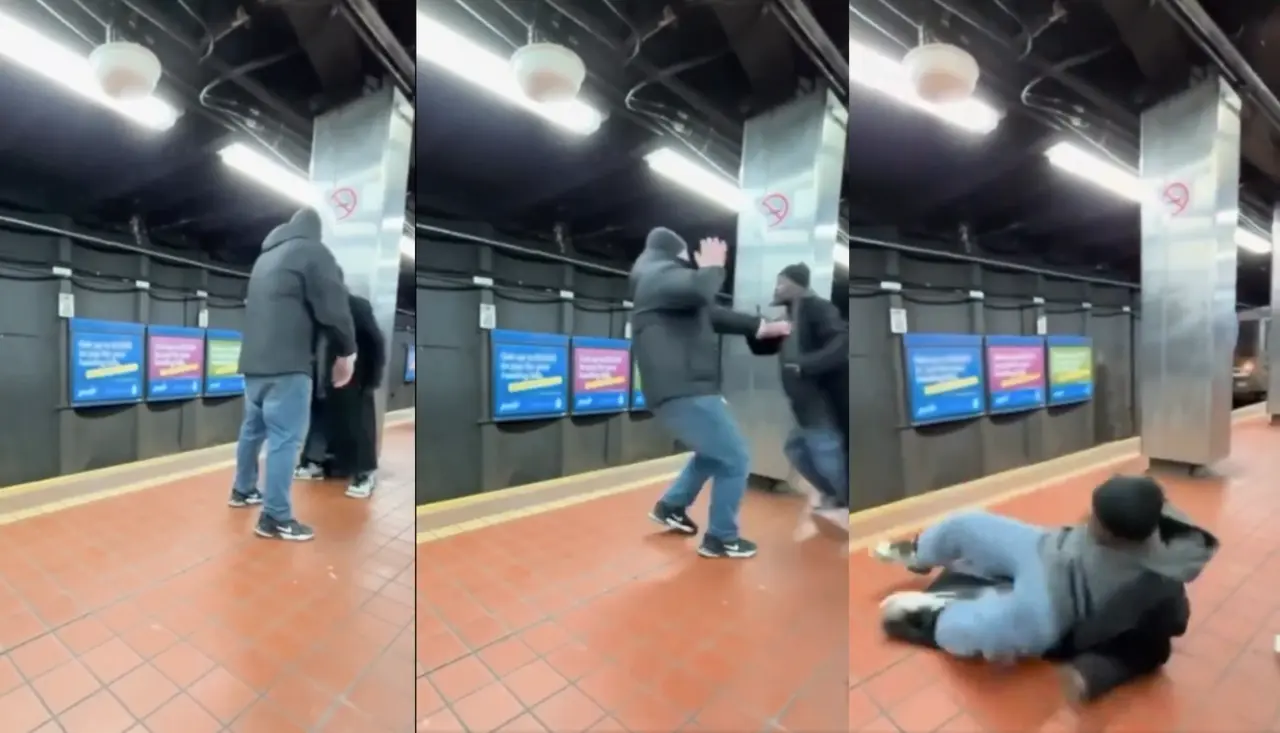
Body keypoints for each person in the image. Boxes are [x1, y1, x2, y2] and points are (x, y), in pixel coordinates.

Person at [873, 475, 1217, 663]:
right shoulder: (1153, 513)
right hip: (1048, 546)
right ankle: (920, 554)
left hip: (1054, 602)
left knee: (983, 630)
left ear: (1110, 534)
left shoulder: (1153, 583)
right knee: (967, 522)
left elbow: (1164, 627)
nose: (1088, 515)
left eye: (1094, 517)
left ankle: (934, 618)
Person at [630, 227, 790, 559]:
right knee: (735, 458)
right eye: (686, 259)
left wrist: (761, 327)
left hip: (680, 387)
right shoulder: (658, 273)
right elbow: (700, 290)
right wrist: (713, 267)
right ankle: (721, 538)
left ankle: (671, 506)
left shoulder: (655, 283)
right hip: (685, 387)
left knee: (713, 453)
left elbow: (712, 314)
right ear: (677, 254)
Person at [229, 208, 357, 541]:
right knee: (285, 439)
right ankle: (275, 517)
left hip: (253, 366)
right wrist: (346, 351)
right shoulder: (312, 251)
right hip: (288, 364)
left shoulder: (264, 259)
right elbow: (333, 305)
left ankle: (242, 490)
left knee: (251, 431)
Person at [745, 263, 850, 522]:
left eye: (782, 282)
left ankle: (847, 498)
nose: (776, 287)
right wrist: (755, 330)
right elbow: (764, 349)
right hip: (802, 403)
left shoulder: (819, 308)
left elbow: (841, 343)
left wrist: (805, 365)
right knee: (797, 450)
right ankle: (836, 494)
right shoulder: (790, 318)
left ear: (797, 284)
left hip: (820, 399)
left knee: (825, 451)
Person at [324, 291, 387, 498]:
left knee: (361, 424)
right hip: (337, 375)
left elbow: (376, 340)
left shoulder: (357, 306)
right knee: (343, 422)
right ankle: (344, 465)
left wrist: (374, 377)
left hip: (360, 376)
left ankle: (365, 472)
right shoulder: (326, 309)